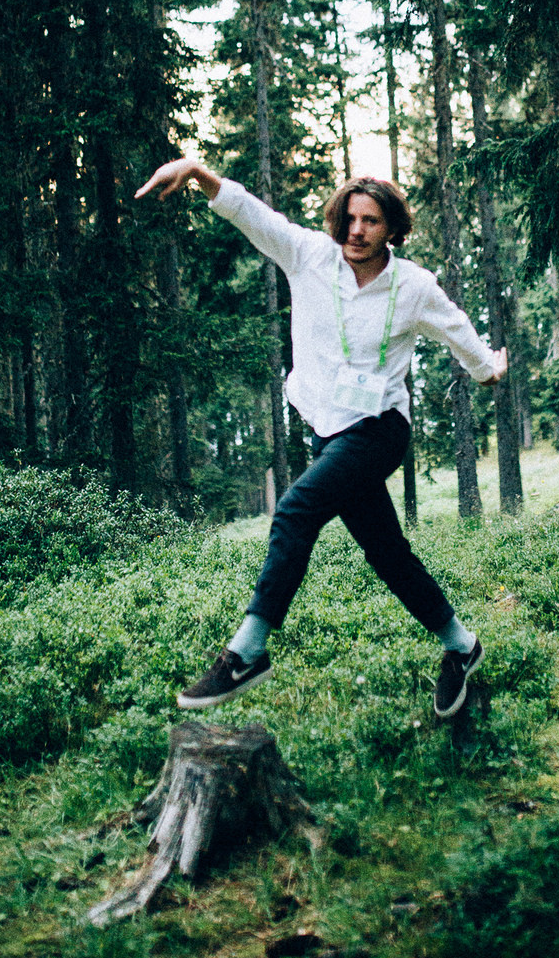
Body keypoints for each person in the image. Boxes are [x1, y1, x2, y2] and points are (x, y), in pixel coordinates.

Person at [135, 157, 508, 719]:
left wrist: (486, 369)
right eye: (350, 218)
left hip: (380, 428)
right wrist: (196, 172)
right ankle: (462, 646)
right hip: (327, 433)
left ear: (392, 228)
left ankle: (246, 652)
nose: (357, 230)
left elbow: (458, 328)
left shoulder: (412, 286)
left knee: (295, 509)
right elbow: (252, 215)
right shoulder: (308, 255)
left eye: (371, 221)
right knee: (387, 553)